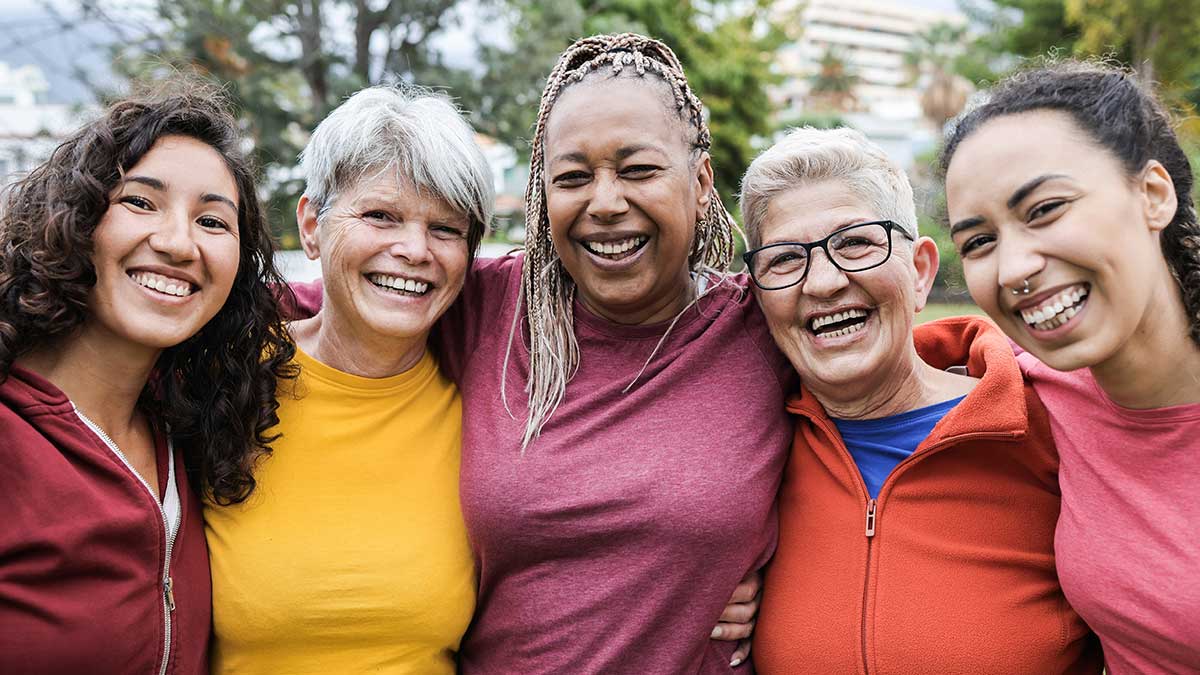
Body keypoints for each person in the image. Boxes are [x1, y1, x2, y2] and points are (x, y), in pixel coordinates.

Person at [290, 33, 787, 672]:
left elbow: (881, 383)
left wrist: (793, 581)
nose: (605, 203)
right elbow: (324, 301)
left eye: (638, 170)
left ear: (700, 181)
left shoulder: (762, 324)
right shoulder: (486, 307)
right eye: (573, 178)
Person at [743, 127, 1102, 673]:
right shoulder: (744, 459)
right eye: (784, 260)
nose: (822, 282)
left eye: (855, 243)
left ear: (919, 272)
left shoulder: (1058, 425)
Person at [0, 83, 294, 674]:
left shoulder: (188, 430)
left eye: (213, 221)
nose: (177, 243)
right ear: (73, 217)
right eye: (140, 202)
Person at [202, 85, 492, 674]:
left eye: (445, 229)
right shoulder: (222, 379)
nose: (413, 249)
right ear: (311, 225)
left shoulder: (486, 409)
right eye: (381, 215)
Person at [942, 60, 1200, 673]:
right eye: (979, 242)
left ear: (1152, 194)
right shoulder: (1029, 387)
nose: (1013, 269)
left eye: (1045, 209)